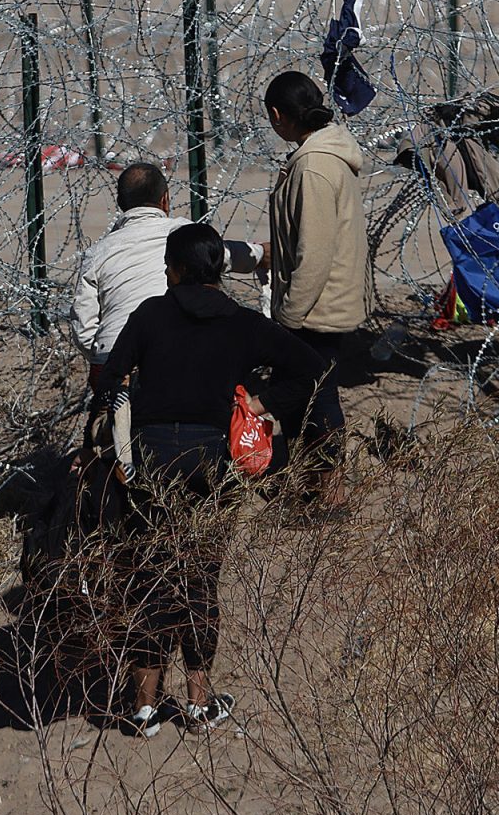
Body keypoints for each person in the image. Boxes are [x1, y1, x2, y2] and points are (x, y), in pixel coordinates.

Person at [98, 223, 326, 738]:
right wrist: (260, 405)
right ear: (219, 269)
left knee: (151, 577)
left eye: (168, 264)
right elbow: (310, 367)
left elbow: (112, 376)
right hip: (211, 463)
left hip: (152, 461)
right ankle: (199, 704)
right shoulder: (242, 323)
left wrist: (132, 402)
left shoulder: (152, 314)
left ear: (176, 270)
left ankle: (144, 707)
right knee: (200, 578)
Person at [262, 71, 375, 509]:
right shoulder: (324, 156)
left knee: (318, 395)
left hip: (318, 307)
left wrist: (288, 316)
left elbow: (315, 252)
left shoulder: (313, 168)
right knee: (308, 392)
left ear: (278, 116)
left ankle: (330, 493)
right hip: (331, 299)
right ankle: (312, 484)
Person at [71, 163, 191, 391]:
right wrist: (260, 254)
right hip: (178, 357)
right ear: (165, 199)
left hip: (115, 364)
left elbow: (83, 326)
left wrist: (103, 355)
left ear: (120, 204)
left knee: (109, 421)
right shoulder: (185, 234)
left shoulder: (99, 252)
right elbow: (221, 254)